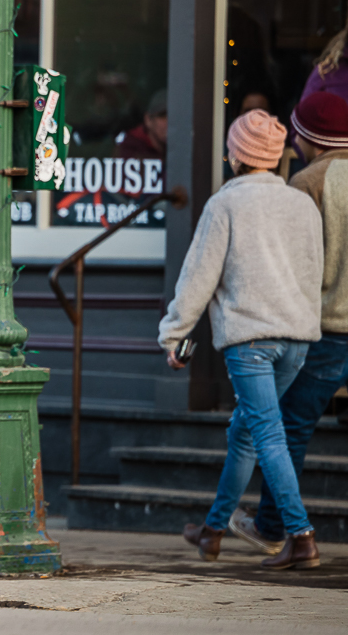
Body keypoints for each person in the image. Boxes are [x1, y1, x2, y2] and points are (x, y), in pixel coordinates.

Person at [161, 110, 324, 569]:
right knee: (246, 433)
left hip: (250, 340)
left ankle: (301, 535)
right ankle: (213, 531)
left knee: (265, 434)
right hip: (297, 339)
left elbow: (198, 279)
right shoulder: (301, 203)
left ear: (235, 155)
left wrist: (173, 335)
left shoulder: (225, 204)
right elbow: (314, 272)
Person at [230, 93, 348, 561]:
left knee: (290, 429)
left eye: (297, 132)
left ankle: (273, 527)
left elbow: (292, 264)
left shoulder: (307, 182)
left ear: (311, 139)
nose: (293, 141)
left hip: (328, 329)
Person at [115, 89, 168, 160]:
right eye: (162, 116)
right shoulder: (130, 149)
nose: (168, 122)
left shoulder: (183, 149)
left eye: (174, 116)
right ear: (148, 120)